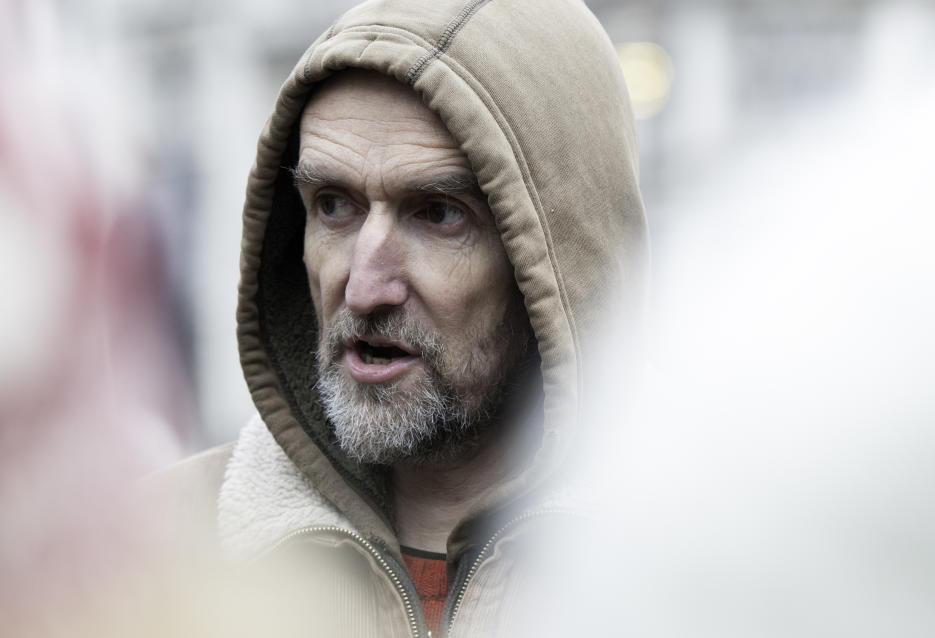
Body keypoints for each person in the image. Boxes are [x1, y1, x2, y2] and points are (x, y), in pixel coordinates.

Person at [156, 0, 648, 635]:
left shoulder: (723, 564)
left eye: (438, 214)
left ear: (558, 258)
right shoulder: (151, 554)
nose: (364, 287)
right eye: (333, 205)